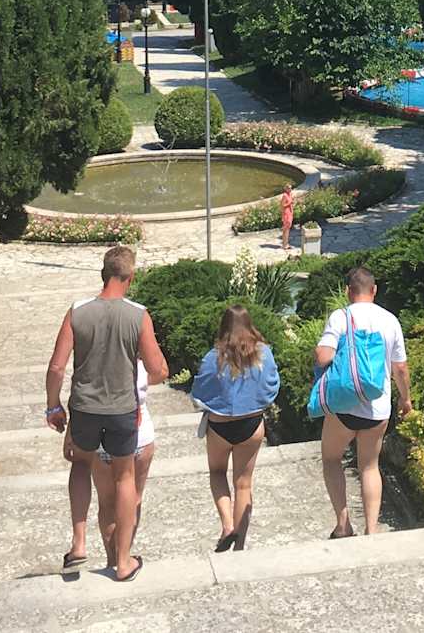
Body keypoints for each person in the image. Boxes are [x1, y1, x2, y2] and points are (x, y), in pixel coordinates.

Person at [45, 245, 169, 582]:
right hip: (122, 409)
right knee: (124, 477)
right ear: (131, 277)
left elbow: (56, 367)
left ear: (103, 274)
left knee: (80, 464)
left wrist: (53, 406)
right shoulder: (138, 315)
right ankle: (124, 561)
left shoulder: (77, 311)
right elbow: (156, 368)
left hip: (84, 407)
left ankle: (79, 543)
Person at [314, 266, 408, 538]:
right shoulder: (390, 320)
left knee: (331, 459)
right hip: (378, 407)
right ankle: (372, 529)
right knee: (369, 466)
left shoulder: (340, 317)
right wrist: (406, 399)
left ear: (348, 291)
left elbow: (323, 356)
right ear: (374, 290)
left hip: (344, 406)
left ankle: (343, 525)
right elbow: (400, 368)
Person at [189, 305, 281, 551]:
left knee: (217, 473)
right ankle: (239, 545)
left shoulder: (213, 356)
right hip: (251, 424)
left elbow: (198, 391)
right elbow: (273, 385)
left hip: (219, 426)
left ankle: (227, 525)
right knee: (244, 484)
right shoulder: (264, 354)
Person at [63, 357, 157, 568]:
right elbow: (161, 370)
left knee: (106, 503)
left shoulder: (92, 358)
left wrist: (71, 431)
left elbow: (80, 398)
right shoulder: (137, 359)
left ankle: (112, 560)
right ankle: (124, 556)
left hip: (99, 438)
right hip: (138, 434)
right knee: (134, 499)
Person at [278, 183, 296, 253]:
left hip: (290, 213)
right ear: (286, 189)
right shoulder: (285, 195)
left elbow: (291, 203)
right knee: (285, 229)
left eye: (291, 188)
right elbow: (282, 205)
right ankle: (284, 245)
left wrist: (292, 203)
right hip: (286, 213)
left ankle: (286, 244)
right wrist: (290, 203)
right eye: (289, 188)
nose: (290, 189)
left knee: (288, 228)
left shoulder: (290, 194)